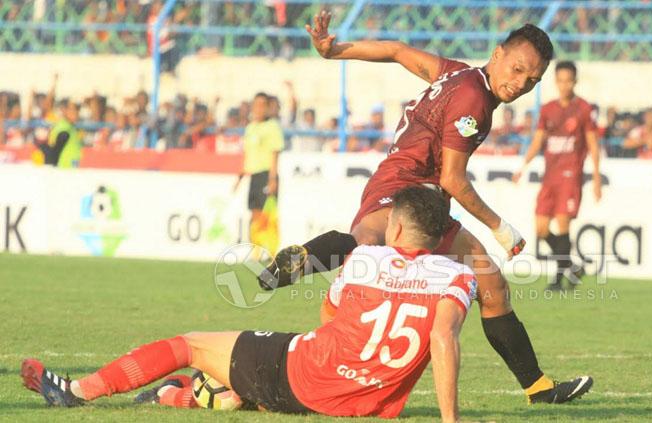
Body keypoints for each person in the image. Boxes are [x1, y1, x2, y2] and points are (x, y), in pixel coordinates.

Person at [265, 11, 592, 404]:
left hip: (393, 182)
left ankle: (306, 258)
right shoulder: (474, 101)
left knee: (372, 244)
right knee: (481, 280)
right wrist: (500, 226)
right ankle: (537, 387)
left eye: (532, 80)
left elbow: (398, 51)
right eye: (518, 69)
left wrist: (333, 51)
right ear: (498, 53)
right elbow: (454, 179)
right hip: (416, 189)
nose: (520, 84)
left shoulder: (457, 73)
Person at [22, 187, 493, 421]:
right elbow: (442, 338)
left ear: (393, 228)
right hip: (367, 404)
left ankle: (77, 391)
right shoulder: (457, 276)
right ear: (439, 236)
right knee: (247, 376)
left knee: (190, 344)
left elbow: (330, 317)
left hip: (308, 375)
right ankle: (176, 395)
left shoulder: (365, 258)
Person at [512, 61, 601, 291]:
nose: (564, 85)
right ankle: (572, 266)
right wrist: (523, 166)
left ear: (575, 81)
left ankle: (558, 280)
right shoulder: (548, 109)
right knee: (540, 229)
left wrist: (597, 179)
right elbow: (538, 141)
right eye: (560, 81)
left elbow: (592, 145)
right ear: (556, 82)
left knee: (563, 225)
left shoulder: (583, 109)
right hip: (549, 177)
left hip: (570, 176)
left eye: (568, 81)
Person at [234, 92, 284, 251]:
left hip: (266, 174)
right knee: (254, 212)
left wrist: (273, 178)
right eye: (256, 105)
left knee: (267, 214)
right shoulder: (250, 128)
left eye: (263, 105)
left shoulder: (272, 127)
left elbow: (274, 153)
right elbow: (248, 155)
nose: (258, 109)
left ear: (268, 108)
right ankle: (255, 249)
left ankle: (269, 250)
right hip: (253, 175)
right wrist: (240, 177)